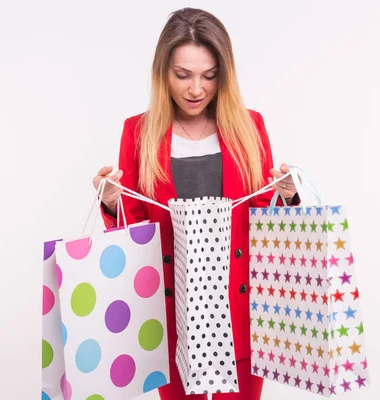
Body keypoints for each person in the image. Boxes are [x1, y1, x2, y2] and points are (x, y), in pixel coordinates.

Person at [92, 7, 299, 400]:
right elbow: (133, 237)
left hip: (240, 313)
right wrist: (110, 203)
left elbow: (265, 226)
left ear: (225, 73)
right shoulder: (138, 132)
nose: (196, 89)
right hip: (172, 317)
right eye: (183, 75)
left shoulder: (249, 126)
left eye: (209, 75)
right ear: (163, 73)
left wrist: (287, 197)